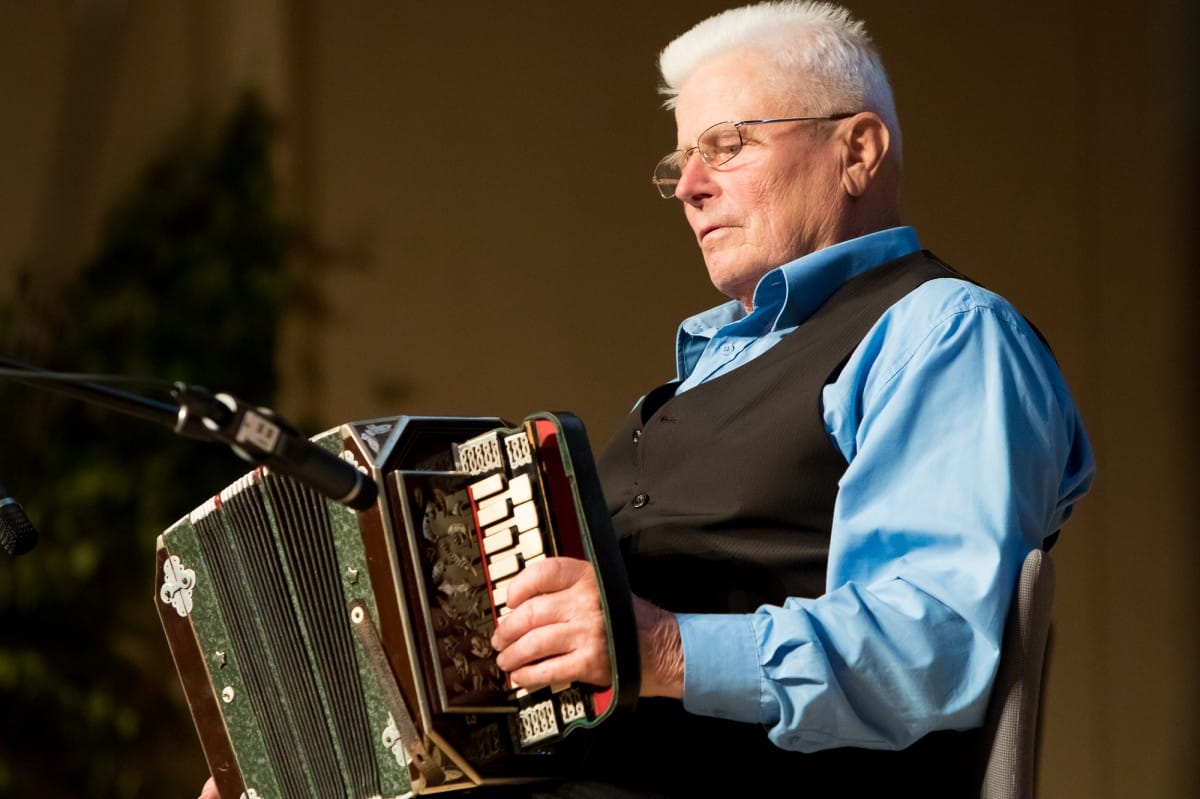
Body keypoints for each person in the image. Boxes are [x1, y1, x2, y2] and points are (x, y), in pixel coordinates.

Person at [200, 1, 1093, 797]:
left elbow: (932, 643)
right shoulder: (704, 371)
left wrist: (662, 648)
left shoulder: (944, 333)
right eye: (681, 163)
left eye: (727, 146)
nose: (691, 188)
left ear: (857, 150)